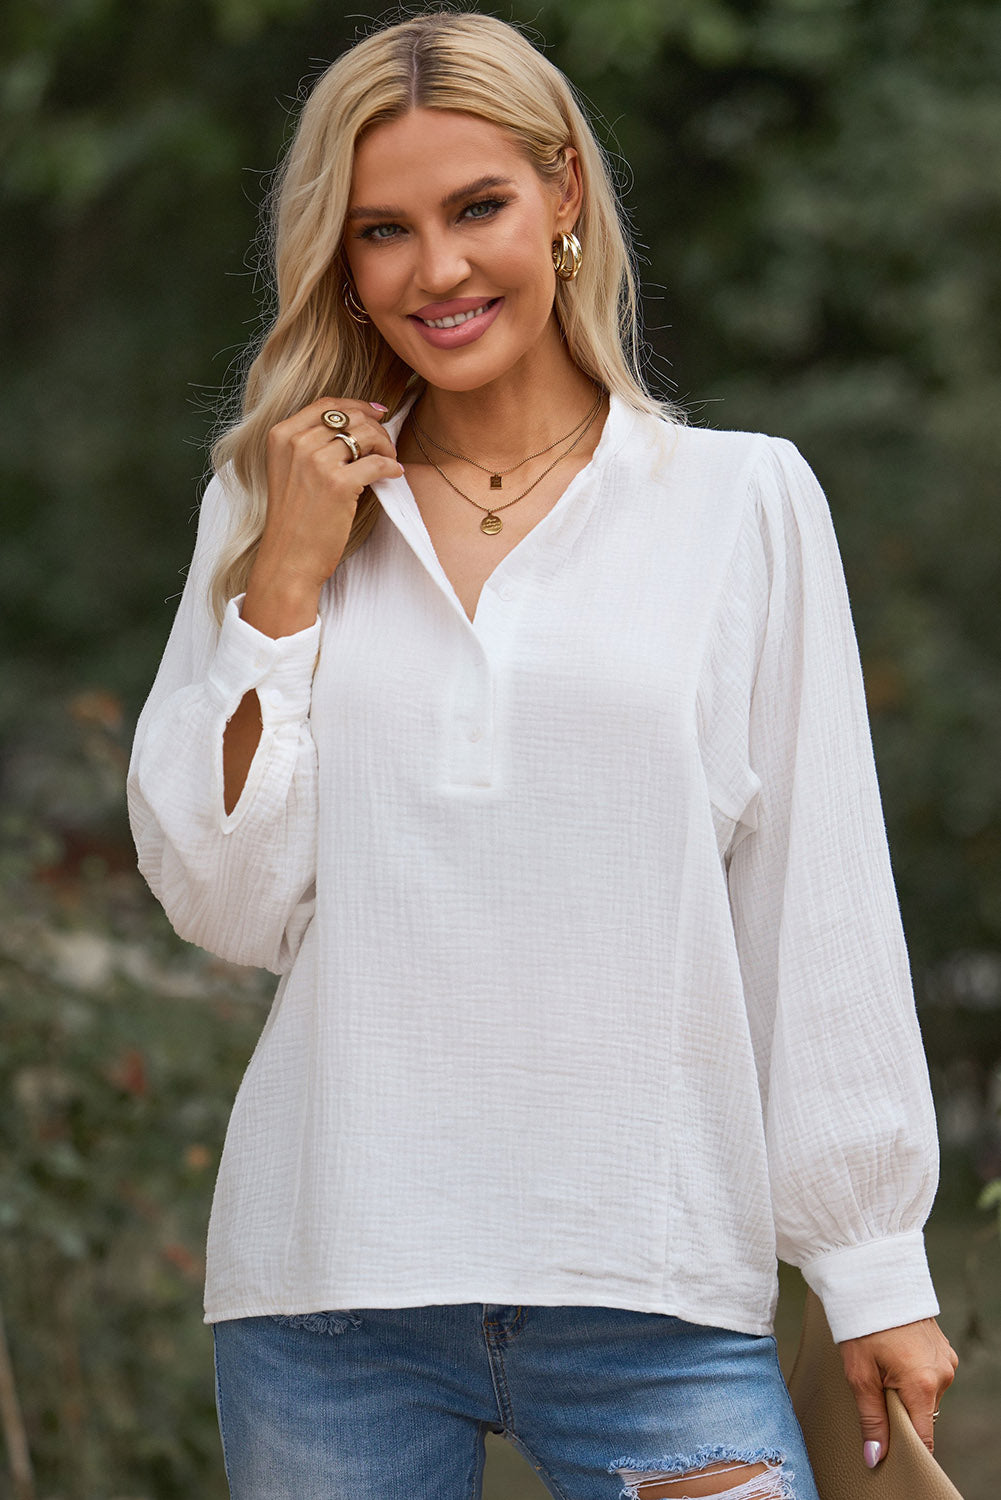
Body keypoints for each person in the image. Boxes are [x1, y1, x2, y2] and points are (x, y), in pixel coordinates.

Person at [127, 10, 958, 1499]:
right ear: (340, 259)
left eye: (477, 208)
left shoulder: (741, 502)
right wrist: (286, 584)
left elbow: (812, 898)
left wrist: (870, 1263)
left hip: (649, 1278)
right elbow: (224, 902)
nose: (435, 270)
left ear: (564, 193)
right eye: (383, 230)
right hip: (332, 1287)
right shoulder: (272, 511)